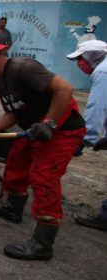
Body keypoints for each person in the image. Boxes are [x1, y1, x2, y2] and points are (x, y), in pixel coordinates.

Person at [0, 26, 86, 261]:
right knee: (17, 158)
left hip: (62, 129)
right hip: (35, 127)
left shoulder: (23, 68)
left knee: (44, 176)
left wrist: (50, 124)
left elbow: (65, 89)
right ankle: (13, 207)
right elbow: (13, 114)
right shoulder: (1, 83)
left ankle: (42, 243)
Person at [66, 39, 107, 232]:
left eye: (81, 59)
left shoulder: (102, 71)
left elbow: (98, 106)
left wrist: (86, 137)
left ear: (92, 57)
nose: (79, 64)